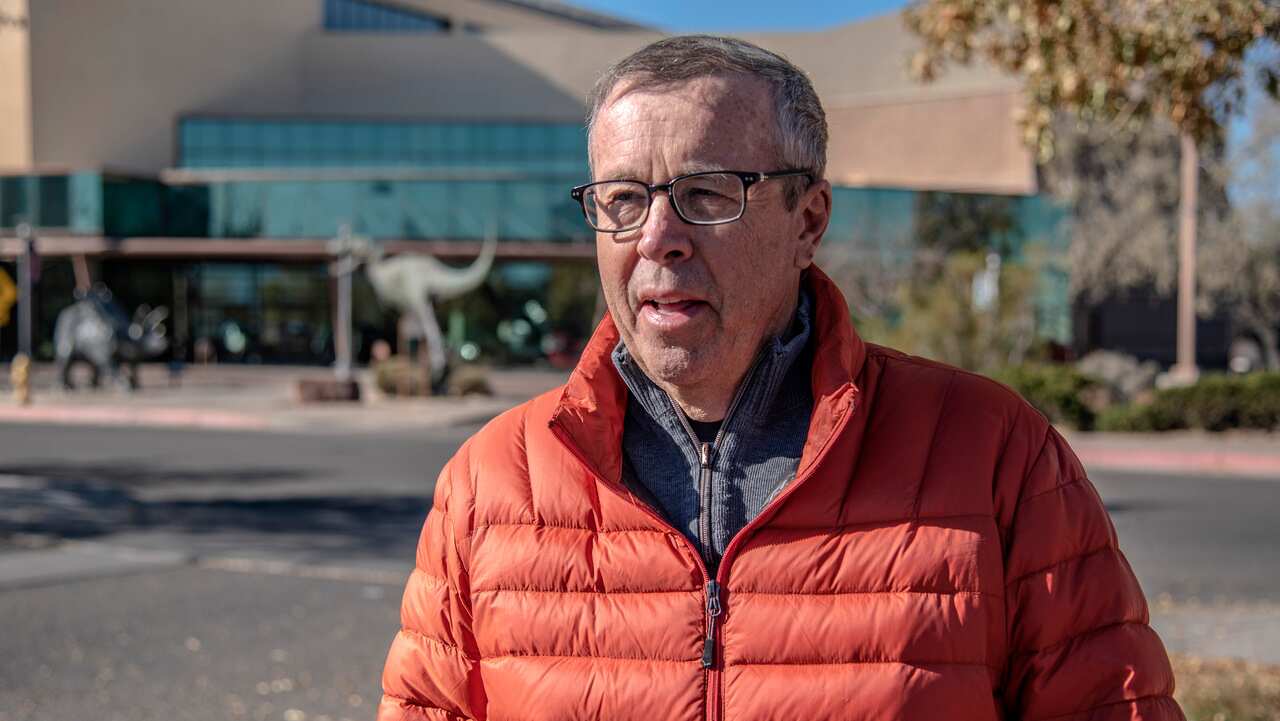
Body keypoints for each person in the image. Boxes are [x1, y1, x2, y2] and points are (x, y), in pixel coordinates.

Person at [378, 35, 1183, 721]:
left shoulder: (995, 455)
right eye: (622, 198)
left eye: (705, 193)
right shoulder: (489, 484)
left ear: (809, 220)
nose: (657, 237)